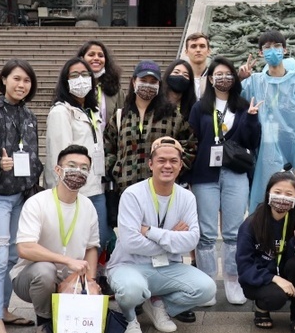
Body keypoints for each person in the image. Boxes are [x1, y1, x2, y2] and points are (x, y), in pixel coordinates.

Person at [106, 137, 217, 333]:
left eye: (173, 161)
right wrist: (173, 239)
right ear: (151, 164)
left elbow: (192, 240)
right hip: (129, 264)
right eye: (161, 160)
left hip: (167, 267)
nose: (168, 165)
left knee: (207, 288)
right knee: (131, 290)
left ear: (181, 165)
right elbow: (131, 242)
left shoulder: (186, 197)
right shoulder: (132, 194)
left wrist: (150, 231)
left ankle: (159, 305)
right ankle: (129, 317)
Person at [0, 59, 43, 333]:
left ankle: (3, 308)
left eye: (27, 80)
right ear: (3, 80)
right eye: (16, 79)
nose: (21, 85)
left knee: (14, 258)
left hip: (22, 197)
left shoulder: (29, 115)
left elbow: (33, 156)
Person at [11, 144, 100, 333]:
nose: (78, 172)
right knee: (45, 270)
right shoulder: (37, 203)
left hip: (71, 280)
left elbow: (92, 247)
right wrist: (66, 260)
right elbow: (24, 248)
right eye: (72, 166)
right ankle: (44, 322)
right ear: (57, 170)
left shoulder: (87, 206)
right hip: (30, 278)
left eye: (84, 168)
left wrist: (91, 280)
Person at [188, 57, 261, 306]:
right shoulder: (200, 108)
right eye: (218, 74)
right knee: (206, 234)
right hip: (204, 175)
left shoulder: (241, 106)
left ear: (234, 78)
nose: (223, 78)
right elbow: (192, 141)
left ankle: (233, 279)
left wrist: (251, 118)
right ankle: (207, 283)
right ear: (210, 79)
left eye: (228, 74)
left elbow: (252, 141)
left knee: (232, 232)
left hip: (235, 173)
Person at [241, 31, 295, 212]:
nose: (272, 51)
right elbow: (232, 103)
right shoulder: (253, 82)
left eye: (276, 46)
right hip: (263, 153)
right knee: (264, 204)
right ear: (260, 53)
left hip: (293, 154)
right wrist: (239, 78)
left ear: (285, 49)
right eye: (267, 47)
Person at [106, 60, 196, 199]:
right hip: (126, 190)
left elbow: (190, 146)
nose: (148, 85)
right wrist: (116, 170)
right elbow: (108, 148)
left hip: (163, 190)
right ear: (134, 81)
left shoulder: (173, 116)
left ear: (159, 85)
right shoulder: (120, 116)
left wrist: (174, 168)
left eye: (153, 81)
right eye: (143, 80)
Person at [236, 171, 295, 333]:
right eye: (277, 192)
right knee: (275, 298)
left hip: (284, 270)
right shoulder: (251, 224)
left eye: (289, 194)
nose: (282, 198)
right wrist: (274, 279)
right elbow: (244, 265)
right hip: (259, 277)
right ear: (268, 193)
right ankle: (262, 308)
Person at [46, 58, 108, 242]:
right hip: (75, 189)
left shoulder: (91, 110)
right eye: (74, 75)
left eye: (85, 74)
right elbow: (60, 155)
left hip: (96, 185)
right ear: (66, 81)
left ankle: (93, 271)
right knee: (75, 241)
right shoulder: (61, 112)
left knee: (98, 239)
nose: (80, 79)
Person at [77, 39, 123, 125]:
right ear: (82, 59)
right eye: (91, 55)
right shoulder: (74, 87)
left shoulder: (116, 91)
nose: (96, 58)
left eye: (101, 55)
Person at [183, 32, 212, 97]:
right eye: (193, 46)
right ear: (186, 52)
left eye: (202, 46)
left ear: (208, 51)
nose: (198, 50)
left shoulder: (214, 78)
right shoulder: (180, 78)